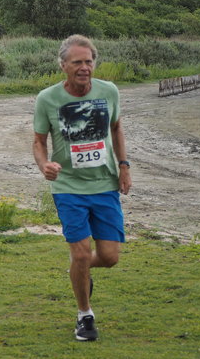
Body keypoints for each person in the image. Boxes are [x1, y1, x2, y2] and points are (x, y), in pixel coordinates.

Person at [32, 34, 132, 341]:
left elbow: (116, 127)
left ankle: (79, 271)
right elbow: (38, 141)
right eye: (77, 62)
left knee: (110, 257)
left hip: (104, 185)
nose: (84, 67)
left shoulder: (109, 91)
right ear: (63, 65)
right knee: (79, 253)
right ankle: (85, 316)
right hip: (68, 187)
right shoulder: (47, 99)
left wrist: (124, 166)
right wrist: (44, 165)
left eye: (89, 61)